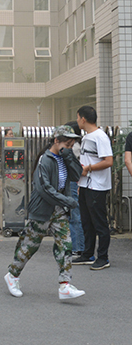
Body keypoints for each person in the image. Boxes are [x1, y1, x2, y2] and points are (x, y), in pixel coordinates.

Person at [4, 125, 85, 300]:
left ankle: (65, 285)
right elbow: (44, 188)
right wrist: (67, 201)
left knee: (66, 245)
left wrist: (69, 156)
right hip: (42, 209)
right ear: (56, 141)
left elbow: (77, 174)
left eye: (72, 146)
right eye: (67, 145)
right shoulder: (45, 160)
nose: (69, 148)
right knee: (29, 246)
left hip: (59, 210)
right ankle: (12, 275)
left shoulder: (64, 158)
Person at [73, 106, 113, 270]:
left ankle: (103, 257)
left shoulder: (100, 137)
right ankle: (87, 254)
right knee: (86, 222)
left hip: (97, 186)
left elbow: (108, 161)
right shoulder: (87, 137)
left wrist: (88, 169)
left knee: (99, 223)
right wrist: (80, 183)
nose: (77, 121)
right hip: (85, 185)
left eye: (77, 118)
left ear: (83, 119)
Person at [64, 120, 84, 256]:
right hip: (75, 182)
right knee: (74, 213)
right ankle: (78, 246)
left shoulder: (74, 147)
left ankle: (77, 247)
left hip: (73, 182)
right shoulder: (78, 145)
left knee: (74, 214)